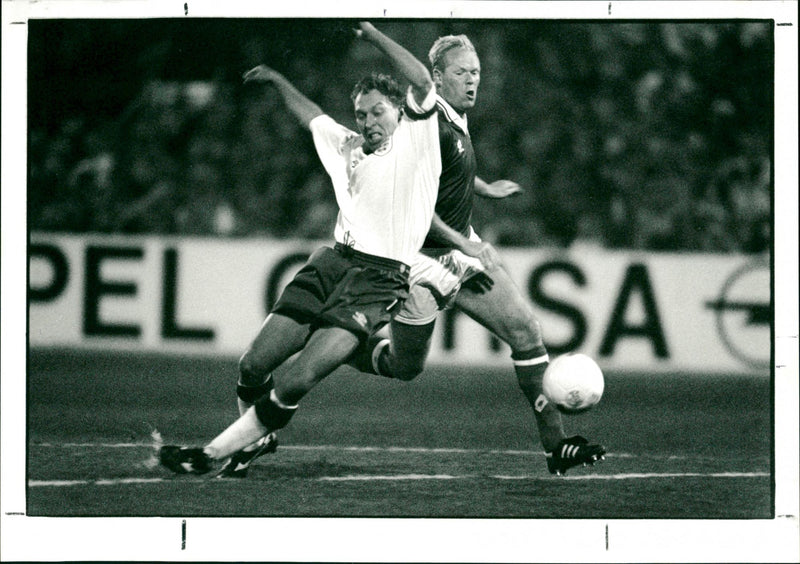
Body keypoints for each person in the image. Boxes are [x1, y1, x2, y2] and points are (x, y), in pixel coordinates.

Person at [159, 21, 444, 476]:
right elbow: (312, 116)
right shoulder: (347, 145)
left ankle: (212, 454)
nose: (369, 121)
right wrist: (278, 81)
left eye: (377, 112)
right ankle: (256, 440)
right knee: (253, 365)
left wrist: (371, 35)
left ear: (398, 110)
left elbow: (425, 82)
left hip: (378, 279)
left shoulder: (416, 140)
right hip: (331, 264)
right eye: (362, 114)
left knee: (297, 378)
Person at [351, 33, 606, 476]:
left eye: (476, 73)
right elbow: (415, 205)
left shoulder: (456, 119)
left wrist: (482, 187)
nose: (472, 81)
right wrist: (372, 31)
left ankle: (557, 447)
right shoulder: (425, 119)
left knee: (526, 331)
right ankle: (346, 346)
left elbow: (447, 172)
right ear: (437, 78)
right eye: (462, 73)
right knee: (405, 366)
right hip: (419, 264)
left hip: (458, 254)